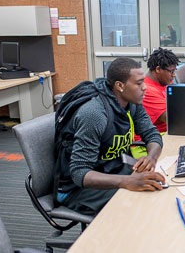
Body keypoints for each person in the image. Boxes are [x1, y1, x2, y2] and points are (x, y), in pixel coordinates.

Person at [58, 58, 165, 216]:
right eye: (138, 83)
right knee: (140, 204)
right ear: (120, 86)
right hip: (76, 189)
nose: (144, 88)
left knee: (156, 190)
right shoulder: (94, 114)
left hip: (111, 170)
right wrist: (127, 181)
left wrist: (151, 158)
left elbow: (152, 134)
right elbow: (80, 172)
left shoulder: (133, 102)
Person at [142, 48, 185, 134]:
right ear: (158, 69)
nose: (174, 75)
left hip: (171, 131)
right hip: (159, 137)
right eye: (172, 71)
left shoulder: (164, 82)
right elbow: (176, 119)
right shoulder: (147, 90)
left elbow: (180, 101)